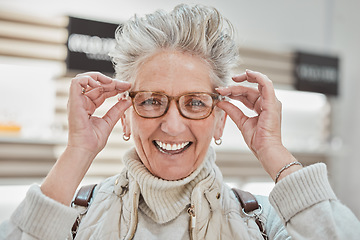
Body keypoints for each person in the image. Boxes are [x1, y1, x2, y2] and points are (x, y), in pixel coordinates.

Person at [1, 3, 359, 240]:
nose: (172, 125)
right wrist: (77, 152)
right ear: (125, 113)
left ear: (220, 120)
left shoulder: (264, 222)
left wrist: (274, 151)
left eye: (195, 103)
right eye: (152, 100)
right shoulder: (75, 218)